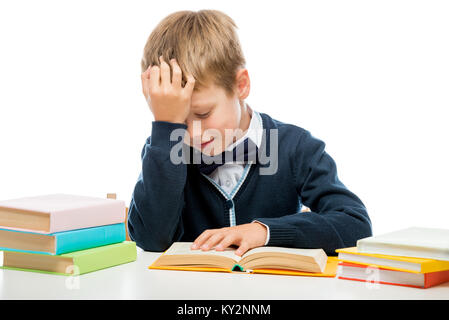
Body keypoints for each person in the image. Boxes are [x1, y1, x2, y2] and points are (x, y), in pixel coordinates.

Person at [127, 9, 372, 256]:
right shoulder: (165, 150)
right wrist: (166, 128)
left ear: (241, 85)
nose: (193, 134)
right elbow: (151, 239)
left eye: (202, 114)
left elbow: (356, 226)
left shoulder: (295, 147)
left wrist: (264, 232)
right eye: (179, 122)